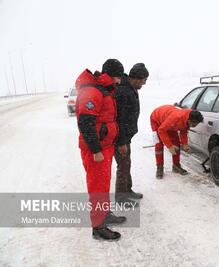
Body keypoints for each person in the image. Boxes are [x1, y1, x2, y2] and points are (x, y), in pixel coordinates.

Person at [75, 59, 127, 241]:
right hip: (95, 150)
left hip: (104, 148)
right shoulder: (92, 91)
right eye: (117, 77)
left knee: (103, 185)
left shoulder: (104, 90)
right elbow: (86, 123)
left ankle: (104, 215)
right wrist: (96, 149)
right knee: (97, 188)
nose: (119, 81)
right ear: (107, 75)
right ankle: (98, 227)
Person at [114, 63, 149, 204]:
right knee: (122, 166)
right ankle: (121, 198)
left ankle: (127, 190)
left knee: (126, 163)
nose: (144, 83)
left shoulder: (130, 88)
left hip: (126, 136)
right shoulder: (123, 91)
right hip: (120, 138)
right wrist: (121, 142)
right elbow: (119, 120)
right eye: (143, 80)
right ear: (136, 78)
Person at [150, 105, 204, 178]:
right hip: (156, 119)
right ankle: (159, 167)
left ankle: (176, 165)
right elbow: (161, 130)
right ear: (189, 120)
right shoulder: (176, 117)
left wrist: (185, 144)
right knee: (159, 144)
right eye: (194, 124)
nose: (194, 126)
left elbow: (183, 131)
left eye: (196, 124)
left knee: (176, 143)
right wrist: (169, 146)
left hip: (169, 124)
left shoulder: (187, 119)